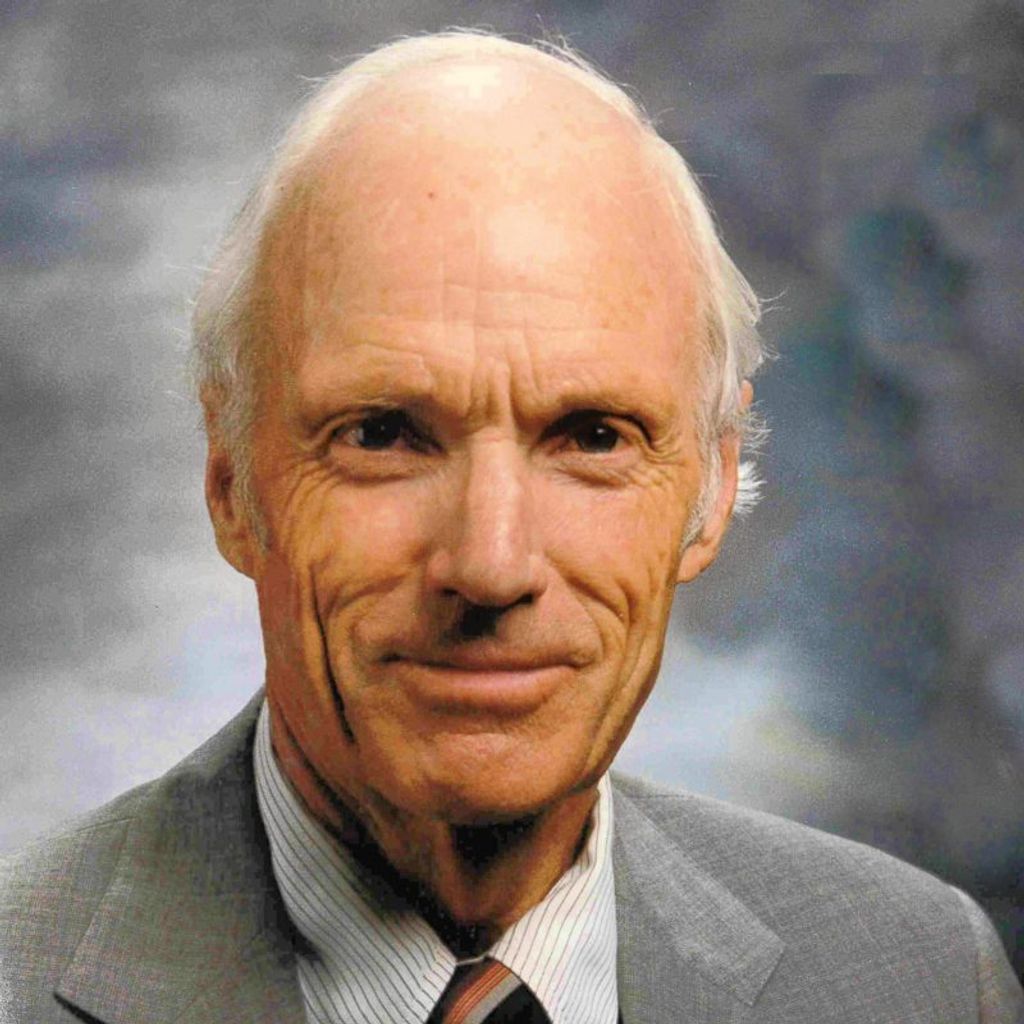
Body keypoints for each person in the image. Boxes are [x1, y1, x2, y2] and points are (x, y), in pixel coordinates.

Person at [1, 30, 1021, 1024]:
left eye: (593, 436)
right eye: (383, 434)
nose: (490, 566)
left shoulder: (924, 980)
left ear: (710, 489)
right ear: (231, 484)